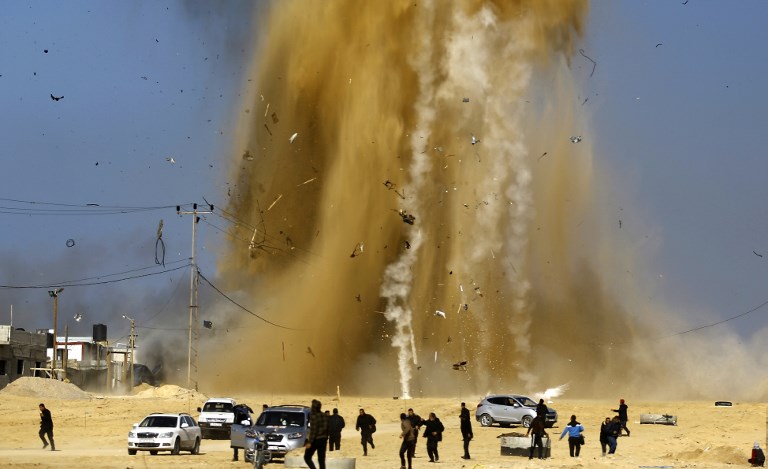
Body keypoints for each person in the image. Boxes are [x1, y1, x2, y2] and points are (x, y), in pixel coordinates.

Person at [304, 399, 329, 469]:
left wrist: (310, 442)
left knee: (307, 457)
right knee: (321, 460)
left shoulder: (314, 416)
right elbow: (328, 428)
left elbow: (313, 430)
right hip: (323, 439)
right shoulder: (325, 415)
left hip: (316, 439)